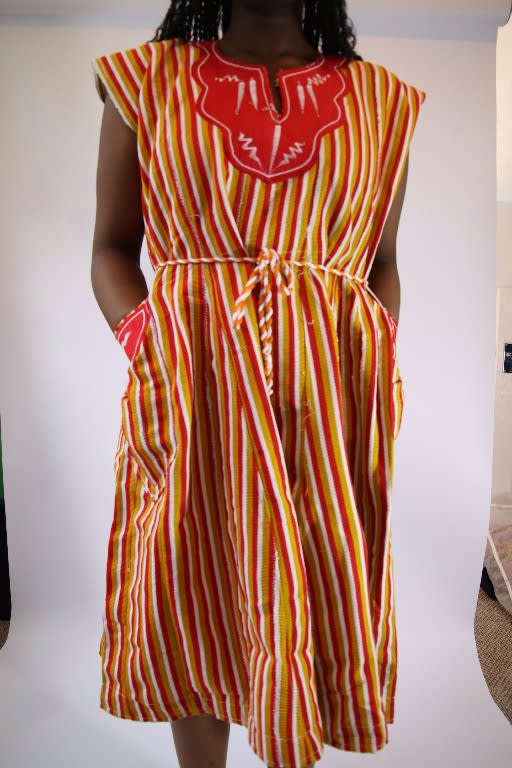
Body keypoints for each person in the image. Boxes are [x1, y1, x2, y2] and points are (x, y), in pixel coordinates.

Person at [90, 1, 426, 767]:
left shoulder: (385, 102)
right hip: (194, 383)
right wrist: (151, 345)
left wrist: (369, 355)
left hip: (328, 396)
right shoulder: (143, 83)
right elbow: (111, 247)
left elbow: (380, 262)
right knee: (190, 581)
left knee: (315, 579)